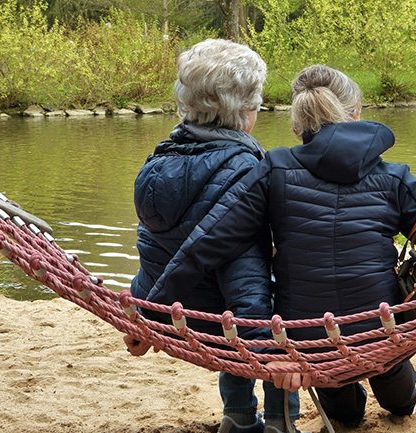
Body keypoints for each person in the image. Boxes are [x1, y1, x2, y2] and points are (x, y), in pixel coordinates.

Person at [148, 64, 416, 425]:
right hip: (381, 329)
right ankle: (394, 385)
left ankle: (352, 392)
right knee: (397, 393)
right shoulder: (394, 177)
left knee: (345, 414)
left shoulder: (272, 169)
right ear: (356, 114)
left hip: (309, 342)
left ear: (297, 127)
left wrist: (151, 312)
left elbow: (208, 243)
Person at [122, 38, 300, 433]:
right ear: (246, 112)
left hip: (177, 315)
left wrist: (143, 312)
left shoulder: (158, 160)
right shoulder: (248, 169)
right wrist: (265, 350)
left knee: (233, 304)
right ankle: (279, 421)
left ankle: (236, 415)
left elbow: (153, 249)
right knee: (282, 302)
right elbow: (246, 273)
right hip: (230, 325)